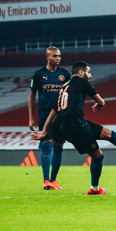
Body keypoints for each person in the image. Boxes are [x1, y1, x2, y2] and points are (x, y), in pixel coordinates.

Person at [36, 61, 116, 194]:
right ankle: (95, 189)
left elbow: (54, 111)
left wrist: (44, 131)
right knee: (98, 157)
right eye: (89, 72)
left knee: (110, 134)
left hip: (72, 125)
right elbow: (101, 101)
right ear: (81, 73)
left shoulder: (64, 86)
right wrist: (100, 104)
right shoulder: (81, 81)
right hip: (77, 127)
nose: (90, 76)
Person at [28, 46, 69, 190]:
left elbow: (70, 95)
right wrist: (31, 117)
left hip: (61, 116)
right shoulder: (39, 75)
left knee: (58, 147)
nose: (57, 59)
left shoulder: (65, 74)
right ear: (47, 57)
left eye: (59, 56)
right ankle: (46, 180)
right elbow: (32, 95)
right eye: (54, 56)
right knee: (46, 145)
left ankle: (54, 180)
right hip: (44, 114)